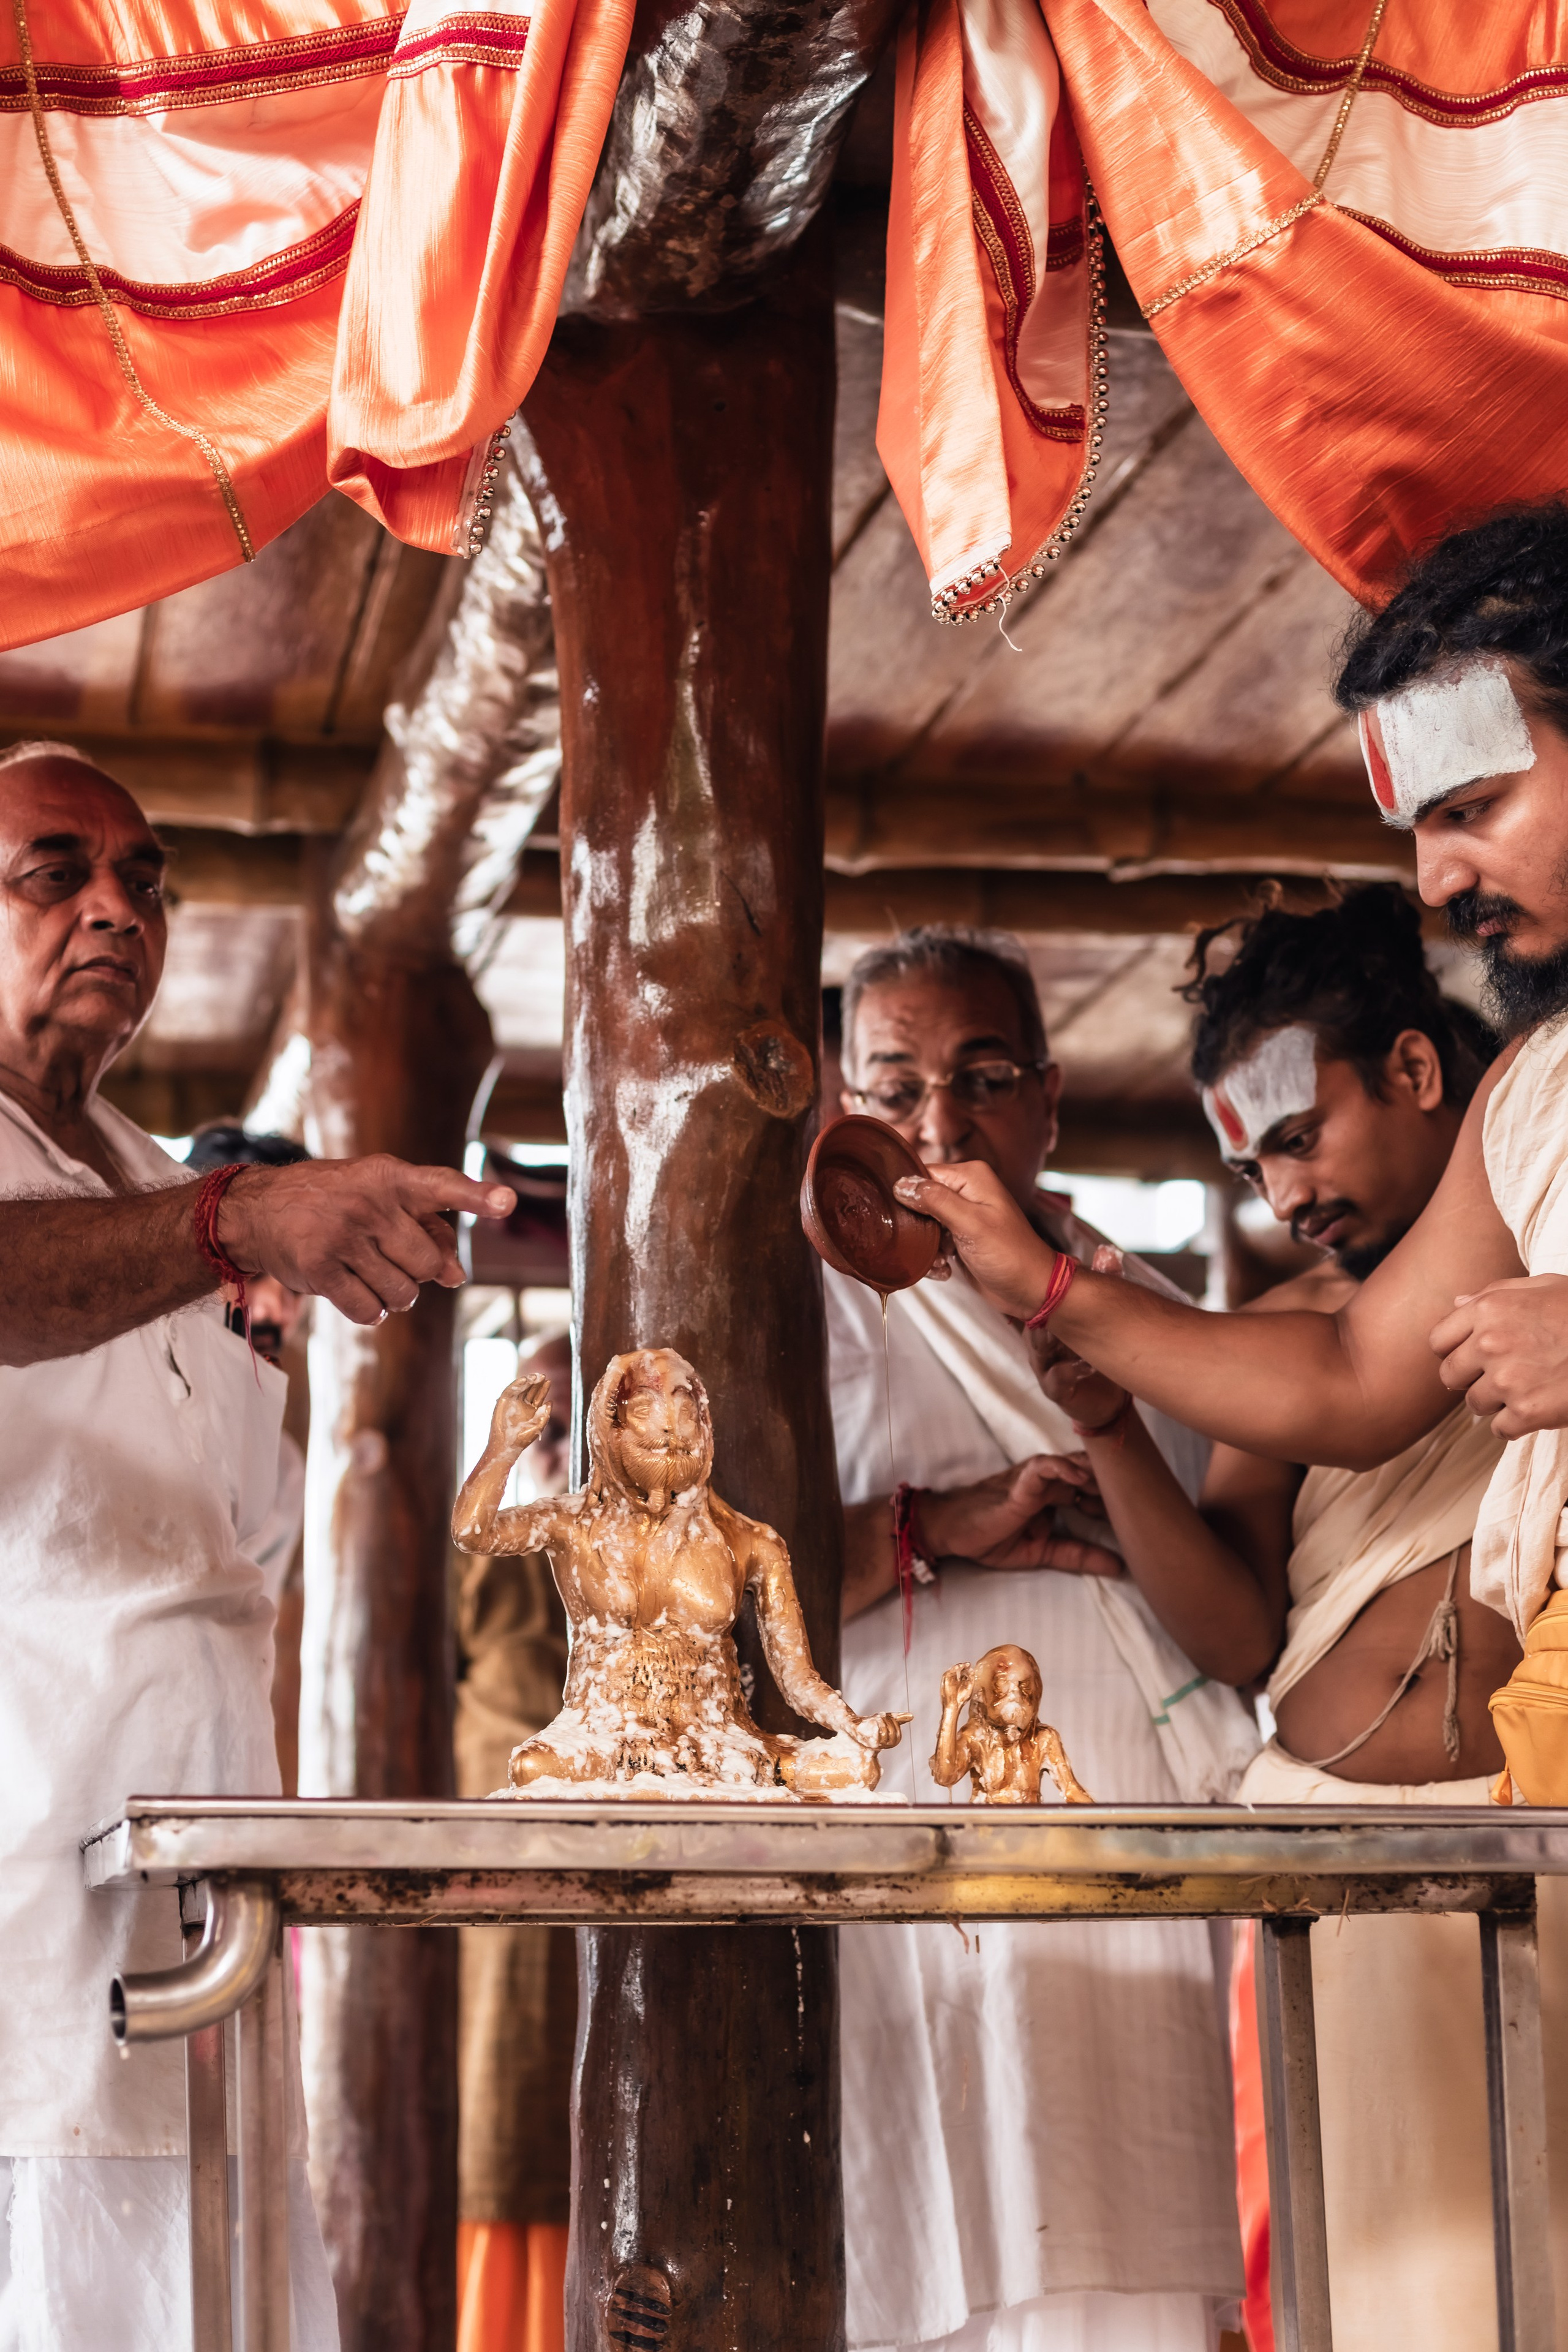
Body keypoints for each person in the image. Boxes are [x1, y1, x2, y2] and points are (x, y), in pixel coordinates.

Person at [892, 503, 1568, 1808]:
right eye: (1416, 832)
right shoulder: (1537, 1087)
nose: (1432, 882)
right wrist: (1052, 1295)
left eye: (1472, 806)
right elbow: (1356, 1378)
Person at [0, 741, 514, 2350]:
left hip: (196, 1904)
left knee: (212, 2302)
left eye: (144, 877)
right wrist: (239, 1218)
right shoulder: (189, 1216)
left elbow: (240, 1564)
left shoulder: (152, 1185)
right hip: (17, 1900)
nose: (114, 907)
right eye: (54, 871)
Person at [1038, 887, 1553, 2352]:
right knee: (1393, 2284)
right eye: (1246, 1162)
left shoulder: (1552, 1288)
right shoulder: (1270, 1341)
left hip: (1541, 1825)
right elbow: (1236, 1641)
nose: (1278, 1194)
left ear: (1411, 1071)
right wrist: (1116, 1435)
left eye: (1293, 1134)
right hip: (1337, 1856)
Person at [826, 927, 1254, 2352]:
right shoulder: (799, 1305)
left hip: (1118, 1814)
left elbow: (1217, 1583)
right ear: (839, 1101)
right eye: (891, 1088)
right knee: (929, 2222)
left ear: (1049, 1099)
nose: (936, 1126)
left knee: (1121, 2217)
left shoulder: (1136, 1302)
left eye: (981, 1078)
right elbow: (697, 1573)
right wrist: (933, 1528)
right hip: (911, 1803)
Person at [454, 1329, 575, 2352]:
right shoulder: (486, 1554)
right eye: (551, 1430)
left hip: (627, 1865)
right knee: (499, 2114)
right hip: (498, 1890)